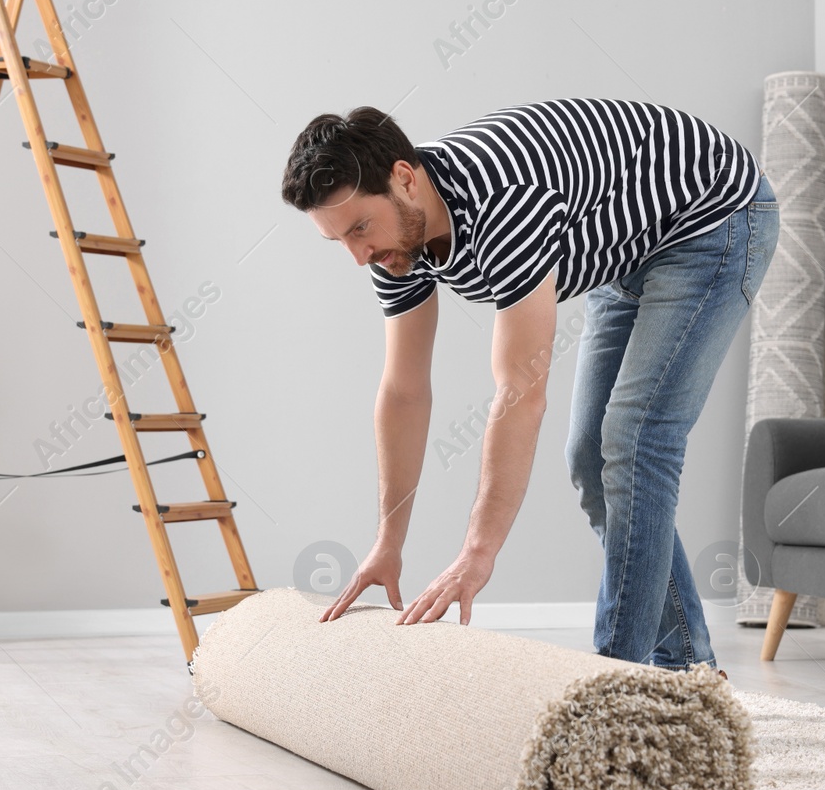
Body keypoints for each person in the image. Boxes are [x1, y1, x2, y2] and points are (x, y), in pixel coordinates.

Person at [281, 99, 778, 670]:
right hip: (628, 247)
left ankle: (613, 688)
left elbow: (520, 393)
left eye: (360, 229)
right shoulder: (394, 246)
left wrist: (477, 554)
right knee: (592, 457)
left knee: (637, 441)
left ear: (403, 179)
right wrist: (388, 542)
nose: (358, 255)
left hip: (712, 220)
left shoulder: (505, 204)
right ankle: (691, 669)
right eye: (339, 240)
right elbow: (404, 392)